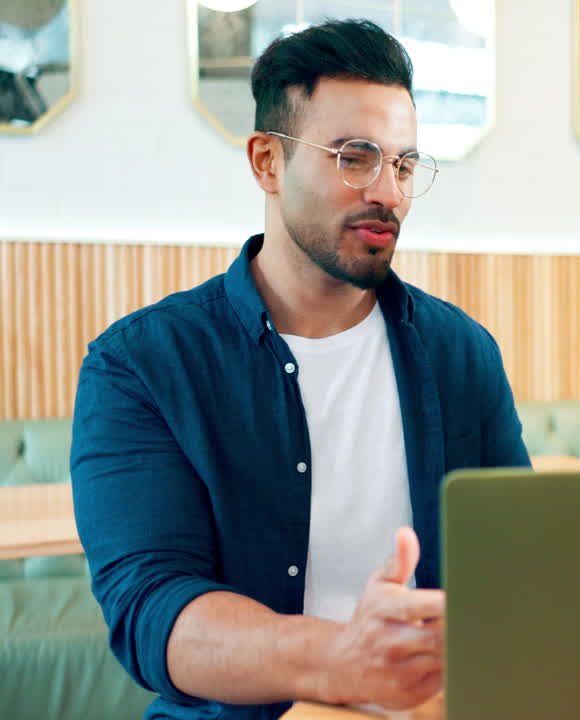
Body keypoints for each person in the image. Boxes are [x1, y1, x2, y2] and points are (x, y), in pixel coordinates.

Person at [70, 20, 529, 720]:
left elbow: (517, 567)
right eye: (355, 157)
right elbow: (152, 609)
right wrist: (342, 660)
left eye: (404, 165)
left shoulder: (462, 354)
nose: (389, 193)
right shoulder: (141, 364)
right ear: (266, 163)